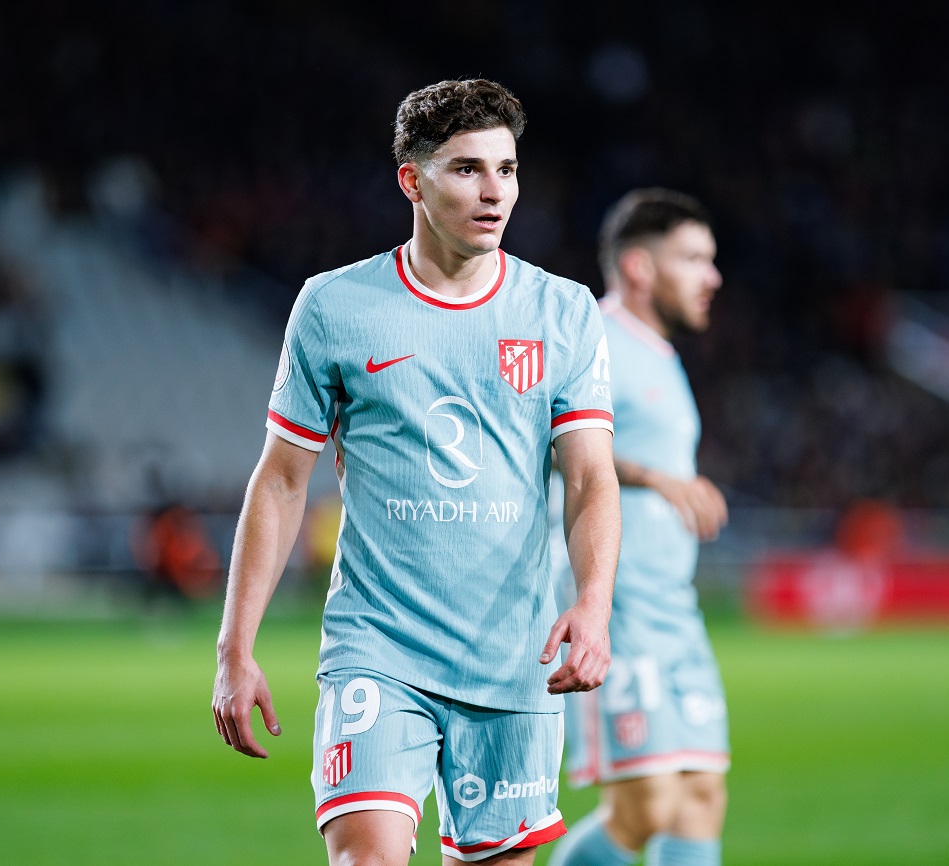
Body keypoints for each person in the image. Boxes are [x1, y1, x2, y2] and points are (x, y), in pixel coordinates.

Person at [212, 79, 622, 865]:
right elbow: (282, 480)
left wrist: (593, 603)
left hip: (513, 660)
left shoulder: (563, 311)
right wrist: (236, 648)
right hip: (379, 647)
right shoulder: (335, 306)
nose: (494, 191)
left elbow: (589, 480)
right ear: (413, 180)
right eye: (467, 169)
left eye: (507, 169)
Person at [548, 190, 729, 866]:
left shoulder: (660, 354)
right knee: (645, 803)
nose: (712, 276)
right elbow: (550, 442)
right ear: (639, 267)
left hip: (672, 609)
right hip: (615, 609)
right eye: (693, 258)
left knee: (701, 794)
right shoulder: (592, 339)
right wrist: (657, 478)